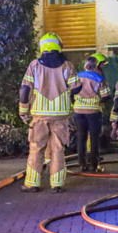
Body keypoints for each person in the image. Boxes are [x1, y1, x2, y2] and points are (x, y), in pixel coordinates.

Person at [19, 33, 81, 193]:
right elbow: (77, 88)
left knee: (36, 147)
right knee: (58, 149)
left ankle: (32, 183)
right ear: (58, 46)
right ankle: (57, 184)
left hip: (39, 115)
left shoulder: (34, 65)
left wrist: (23, 110)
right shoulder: (67, 65)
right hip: (60, 115)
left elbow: (25, 90)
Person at [73, 53, 111, 172]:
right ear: (96, 66)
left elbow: (71, 93)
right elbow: (106, 96)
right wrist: (100, 100)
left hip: (78, 111)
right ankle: (95, 165)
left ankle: (82, 164)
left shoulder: (77, 76)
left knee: (81, 137)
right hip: (94, 111)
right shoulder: (99, 79)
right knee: (95, 138)